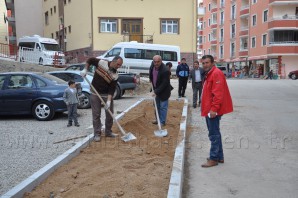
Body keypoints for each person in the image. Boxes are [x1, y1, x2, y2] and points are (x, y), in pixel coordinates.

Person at [200, 55, 233, 168]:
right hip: (210, 108)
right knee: (216, 133)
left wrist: (214, 109)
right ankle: (219, 156)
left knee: (213, 134)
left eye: (207, 62)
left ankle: (213, 158)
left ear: (212, 63)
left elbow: (218, 94)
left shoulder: (216, 73)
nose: (205, 65)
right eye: (203, 63)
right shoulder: (210, 73)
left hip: (213, 110)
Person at [80, 56, 123, 142]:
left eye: (120, 65)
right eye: (118, 64)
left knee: (110, 114)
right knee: (96, 114)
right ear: (113, 61)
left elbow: (112, 89)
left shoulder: (115, 75)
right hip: (94, 93)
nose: (119, 66)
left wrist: (109, 101)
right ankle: (97, 134)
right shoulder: (102, 63)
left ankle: (108, 132)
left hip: (106, 94)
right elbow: (90, 59)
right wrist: (85, 69)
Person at [149, 55, 172, 126]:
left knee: (163, 107)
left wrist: (155, 92)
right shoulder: (152, 65)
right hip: (156, 89)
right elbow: (150, 73)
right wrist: (151, 80)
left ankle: (162, 122)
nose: (156, 63)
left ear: (161, 61)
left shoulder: (165, 70)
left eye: (158, 62)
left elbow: (164, 84)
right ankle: (157, 119)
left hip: (164, 91)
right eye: (155, 62)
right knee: (156, 106)